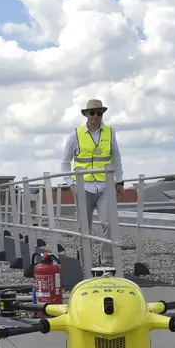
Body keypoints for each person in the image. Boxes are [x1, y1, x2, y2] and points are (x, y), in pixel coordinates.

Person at [60, 99, 124, 267]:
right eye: (92, 113)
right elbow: (65, 163)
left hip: (105, 186)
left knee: (108, 224)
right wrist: (71, 185)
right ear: (86, 115)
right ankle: (86, 262)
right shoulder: (75, 135)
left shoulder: (110, 132)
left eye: (99, 113)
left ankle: (107, 263)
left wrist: (120, 182)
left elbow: (116, 158)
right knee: (84, 228)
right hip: (83, 188)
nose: (96, 116)